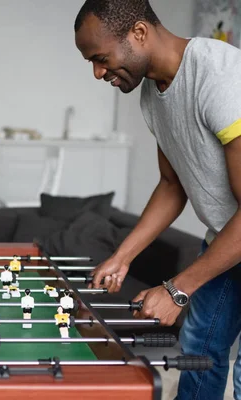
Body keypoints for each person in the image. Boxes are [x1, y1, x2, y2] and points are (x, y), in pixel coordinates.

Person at [74, 1, 241, 399]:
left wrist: (176, 290)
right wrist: (123, 255)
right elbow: (171, 183)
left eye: (100, 58)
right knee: (201, 353)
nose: (98, 73)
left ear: (139, 33)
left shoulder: (218, 77)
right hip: (227, 240)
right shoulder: (153, 94)